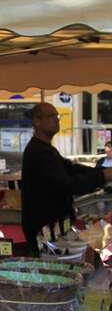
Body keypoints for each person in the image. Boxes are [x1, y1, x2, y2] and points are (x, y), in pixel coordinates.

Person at [22, 102, 112, 250]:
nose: (57, 120)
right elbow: (67, 184)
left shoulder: (47, 149)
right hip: (43, 227)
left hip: (54, 224)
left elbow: (71, 168)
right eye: (51, 116)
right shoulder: (38, 152)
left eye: (57, 116)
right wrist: (102, 176)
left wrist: (102, 172)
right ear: (37, 121)